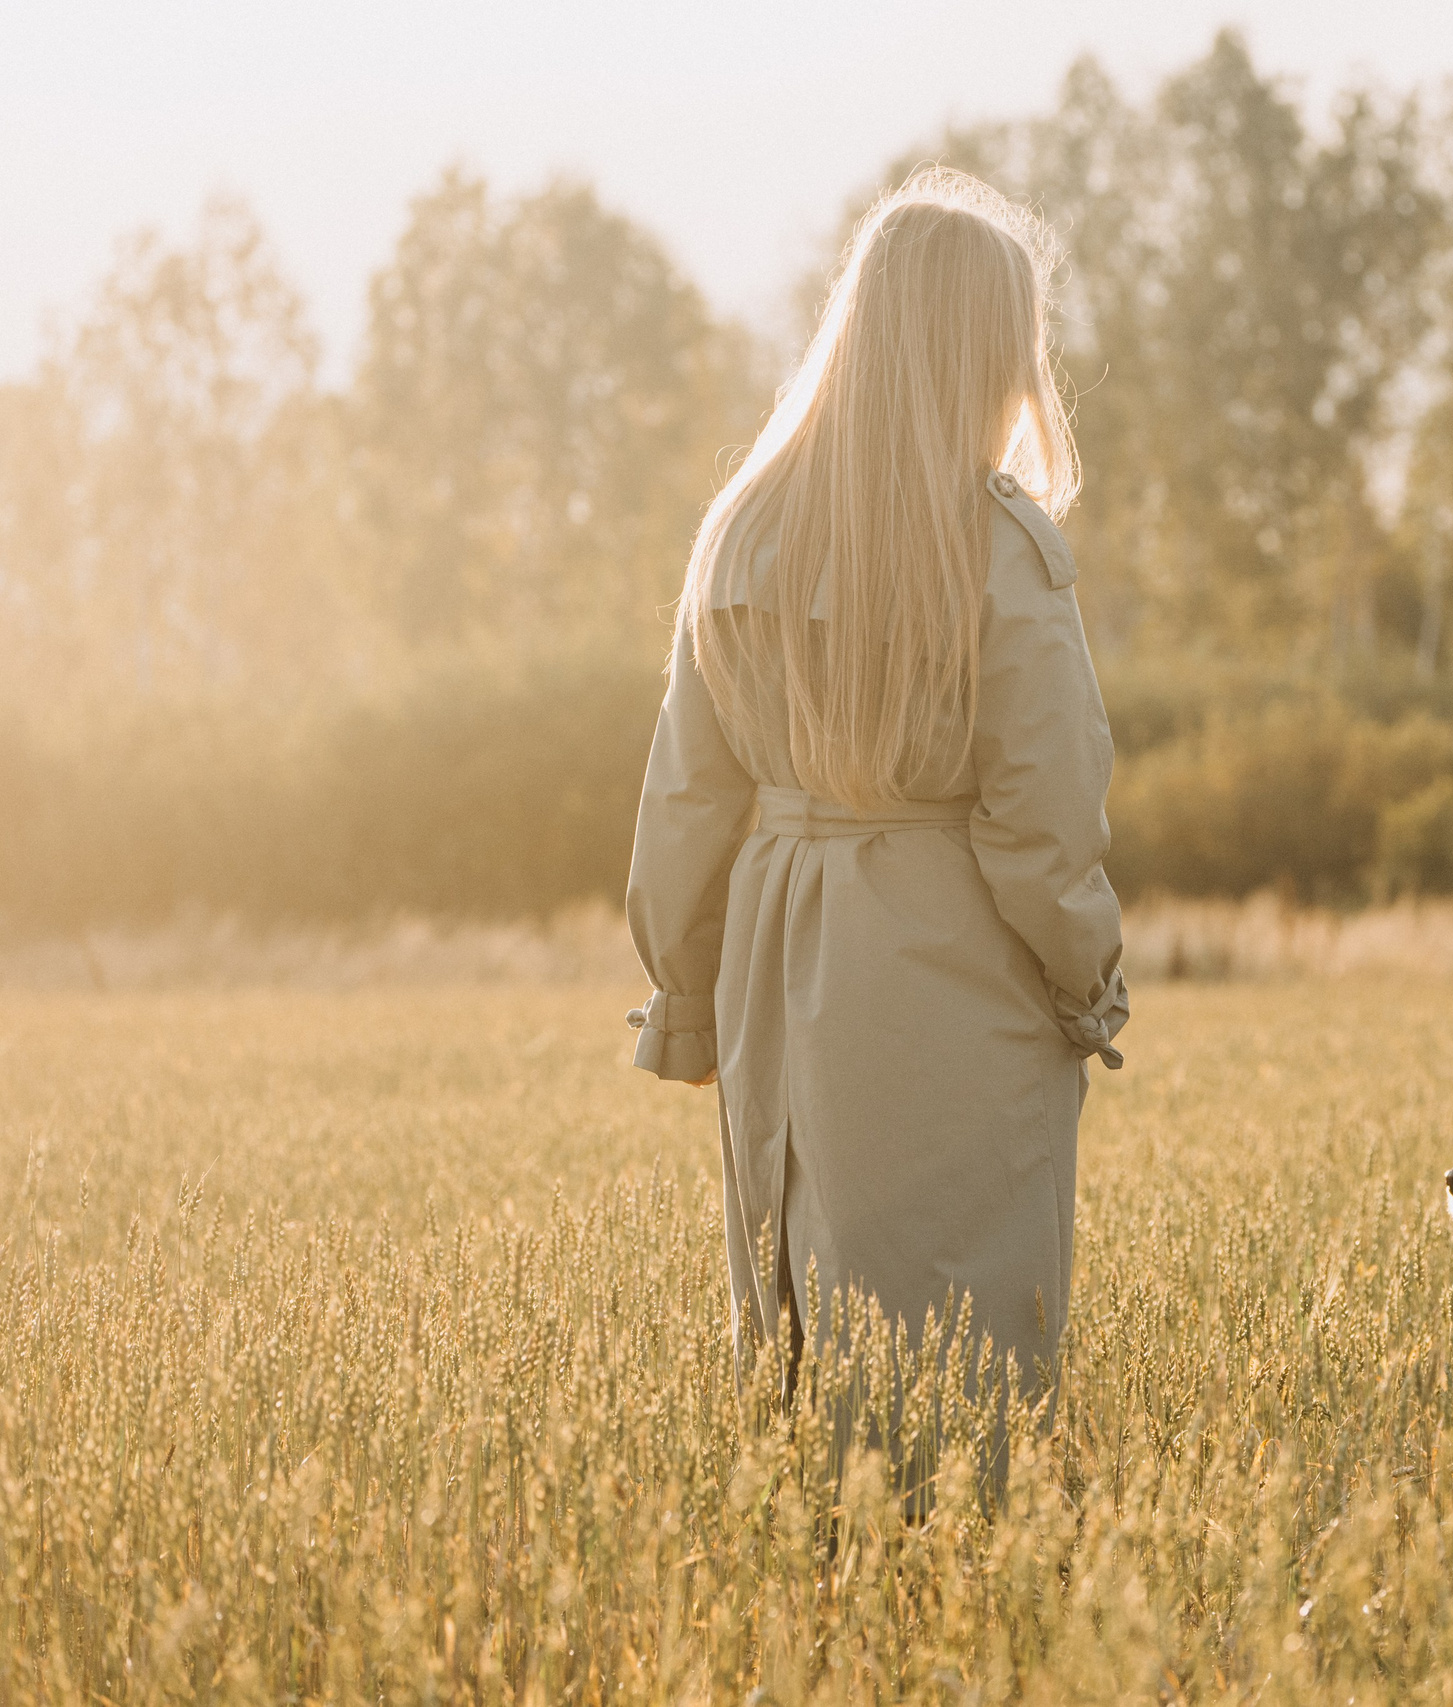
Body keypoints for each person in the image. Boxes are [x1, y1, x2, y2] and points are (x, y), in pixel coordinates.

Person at [623, 168, 1126, 1461]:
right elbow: (1042, 821)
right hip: (947, 965)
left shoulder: (740, 529)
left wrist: (687, 995)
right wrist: (1087, 986)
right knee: (959, 1346)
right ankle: (958, 1574)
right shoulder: (998, 544)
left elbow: (684, 801)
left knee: (795, 1321)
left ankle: (816, 1570)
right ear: (990, 352)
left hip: (774, 957)